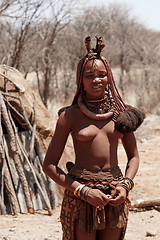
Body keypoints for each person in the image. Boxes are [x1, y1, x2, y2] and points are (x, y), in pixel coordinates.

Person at [43, 36, 145, 240]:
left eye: (101, 74)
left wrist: (125, 185)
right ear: (80, 79)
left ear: (109, 77)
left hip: (115, 193)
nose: (96, 79)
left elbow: (133, 156)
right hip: (81, 194)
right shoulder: (69, 116)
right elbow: (49, 165)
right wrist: (82, 191)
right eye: (89, 75)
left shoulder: (121, 115)